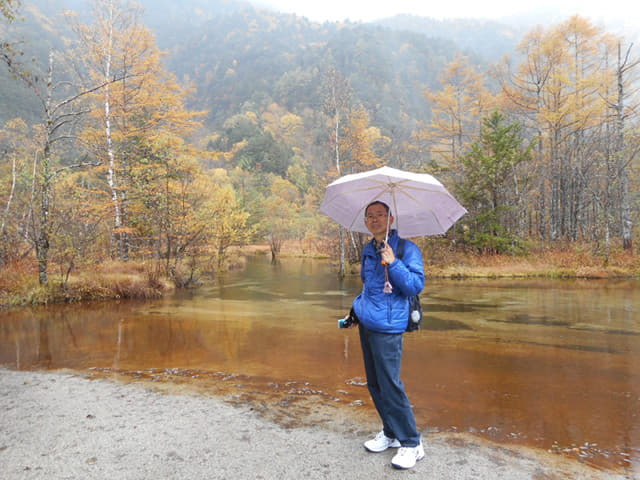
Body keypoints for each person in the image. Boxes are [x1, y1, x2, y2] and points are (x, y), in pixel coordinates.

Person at [345, 200, 425, 469]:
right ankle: (391, 433)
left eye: (380, 215)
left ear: (391, 219)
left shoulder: (406, 248)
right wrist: (355, 312)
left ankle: (412, 443)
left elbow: (415, 286)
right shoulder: (369, 250)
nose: (375, 219)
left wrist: (395, 262)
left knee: (390, 384)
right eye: (370, 216)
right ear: (366, 222)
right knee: (375, 384)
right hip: (368, 323)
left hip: (389, 327)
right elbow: (370, 289)